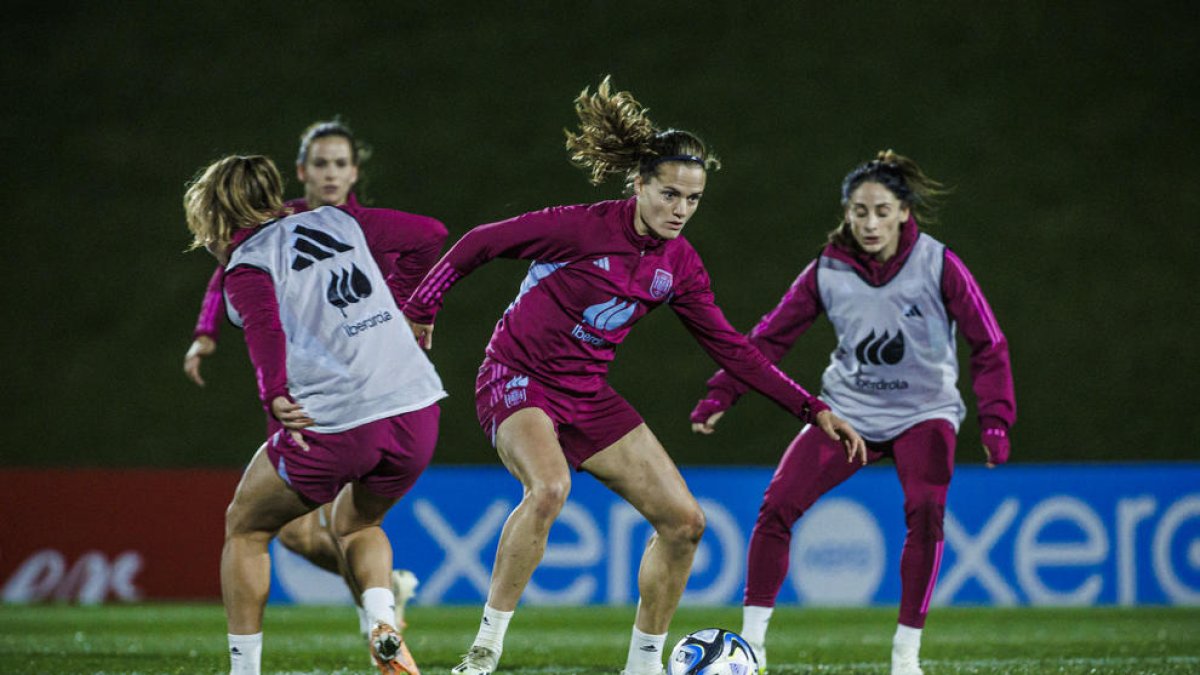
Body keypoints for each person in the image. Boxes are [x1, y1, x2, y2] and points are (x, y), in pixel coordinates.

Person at [401, 76, 865, 675]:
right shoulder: (581, 228)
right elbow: (479, 242)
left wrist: (813, 408)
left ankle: (643, 666)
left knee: (685, 523)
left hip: (587, 396)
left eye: (693, 199)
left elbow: (732, 348)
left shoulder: (681, 265)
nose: (681, 210)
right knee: (550, 488)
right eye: (670, 194)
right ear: (640, 184)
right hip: (517, 378)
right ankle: (485, 651)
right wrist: (423, 305)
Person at [690, 151, 1016, 675]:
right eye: (859, 211)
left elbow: (989, 343)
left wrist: (996, 419)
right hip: (848, 414)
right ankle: (751, 648)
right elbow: (770, 337)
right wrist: (722, 393)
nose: (869, 223)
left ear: (904, 212)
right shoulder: (828, 268)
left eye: (882, 211)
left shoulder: (938, 263)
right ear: (846, 212)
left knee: (926, 513)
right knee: (777, 507)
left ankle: (905, 657)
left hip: (925, 413)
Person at [183, 153, 448, 675]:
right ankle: (381, 620)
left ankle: (244, 671)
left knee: (246, 527)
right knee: (358, 523)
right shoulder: (338, 218)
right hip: (416, 410)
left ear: (215, 217)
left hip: (340, 423)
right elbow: (431, 234)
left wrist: (274, 394)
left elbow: (264, 328)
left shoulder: (248, 264)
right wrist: (412, 307)